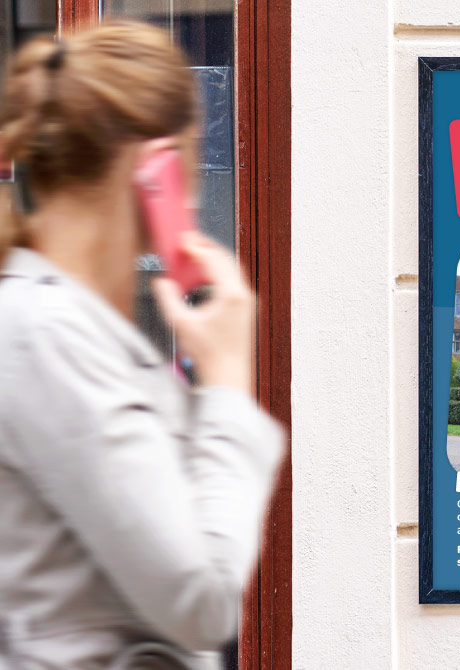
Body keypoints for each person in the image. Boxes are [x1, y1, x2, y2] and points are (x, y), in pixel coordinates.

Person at [0, 22, 282, 669]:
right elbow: (201, 599)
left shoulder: (72, 328)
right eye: (189, 159)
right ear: (152, 170)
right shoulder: (48, 338)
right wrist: (229, 385)